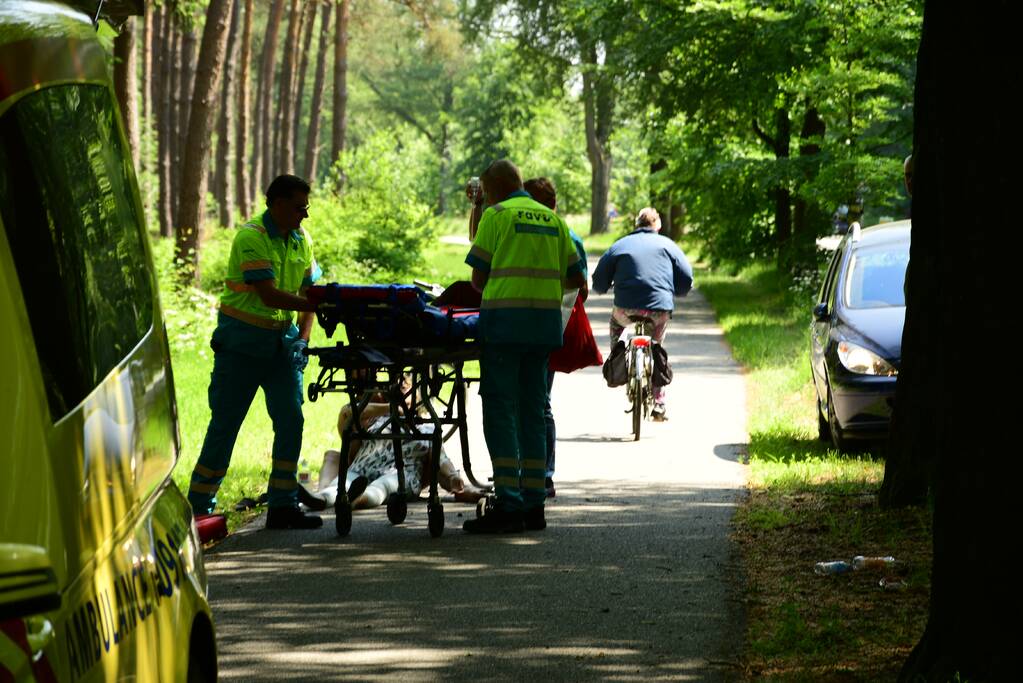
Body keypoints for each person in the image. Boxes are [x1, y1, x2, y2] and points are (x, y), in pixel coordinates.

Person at [186, 174, 324, 530]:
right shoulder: (252, 237)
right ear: (276, 203)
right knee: (226, 424)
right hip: (242, 347)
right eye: (299, 207)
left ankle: (282, 505)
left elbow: (310, 294)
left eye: (306, 207)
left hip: (282, 346)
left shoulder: (301, 240)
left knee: (291, 419)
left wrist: (303, 340)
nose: (304, 215)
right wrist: (323, 307)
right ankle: (199, 507)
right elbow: (268, 294)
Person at [463, 159, 586, 533]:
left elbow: (477, 279)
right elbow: (575, 278)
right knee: (533, 411)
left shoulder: (496, 216)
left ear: (493, 188)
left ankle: (508, 502)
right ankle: (534, 504)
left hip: (504, 327)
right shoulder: (554, 221)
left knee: (500, 410)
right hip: (544, 328)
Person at [591, 207, 693, 421]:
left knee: (616, 325)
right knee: (656, 345)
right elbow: (686, 277)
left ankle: (617, 356)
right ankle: (659, 401)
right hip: (659, 309)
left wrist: (602, 288)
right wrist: (679, 291)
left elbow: (599, 279)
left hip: (625, 309)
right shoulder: (668, 245)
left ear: (636, 224)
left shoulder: (620, 245)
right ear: (658, 226)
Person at [522, 176, 587, 499]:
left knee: (528, 402)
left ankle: (533, 473)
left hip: (525, 325)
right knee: (539, 402)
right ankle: (540, 474)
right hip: (550, 327)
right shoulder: (568, 234)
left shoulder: (523, 229)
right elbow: (581, 287)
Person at [313, 401, 484, 509]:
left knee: (383, 486)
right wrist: (392, 406)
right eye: (400, 384)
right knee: (340, 483)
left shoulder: (427, 430)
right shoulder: (376, 421)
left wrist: (454, 477)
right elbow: (347, 413)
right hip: (361, 469)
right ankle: (321, 499)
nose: (403, 385)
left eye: (409, 385)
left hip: (401, 474)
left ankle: (355, 501)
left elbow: (441, 459)